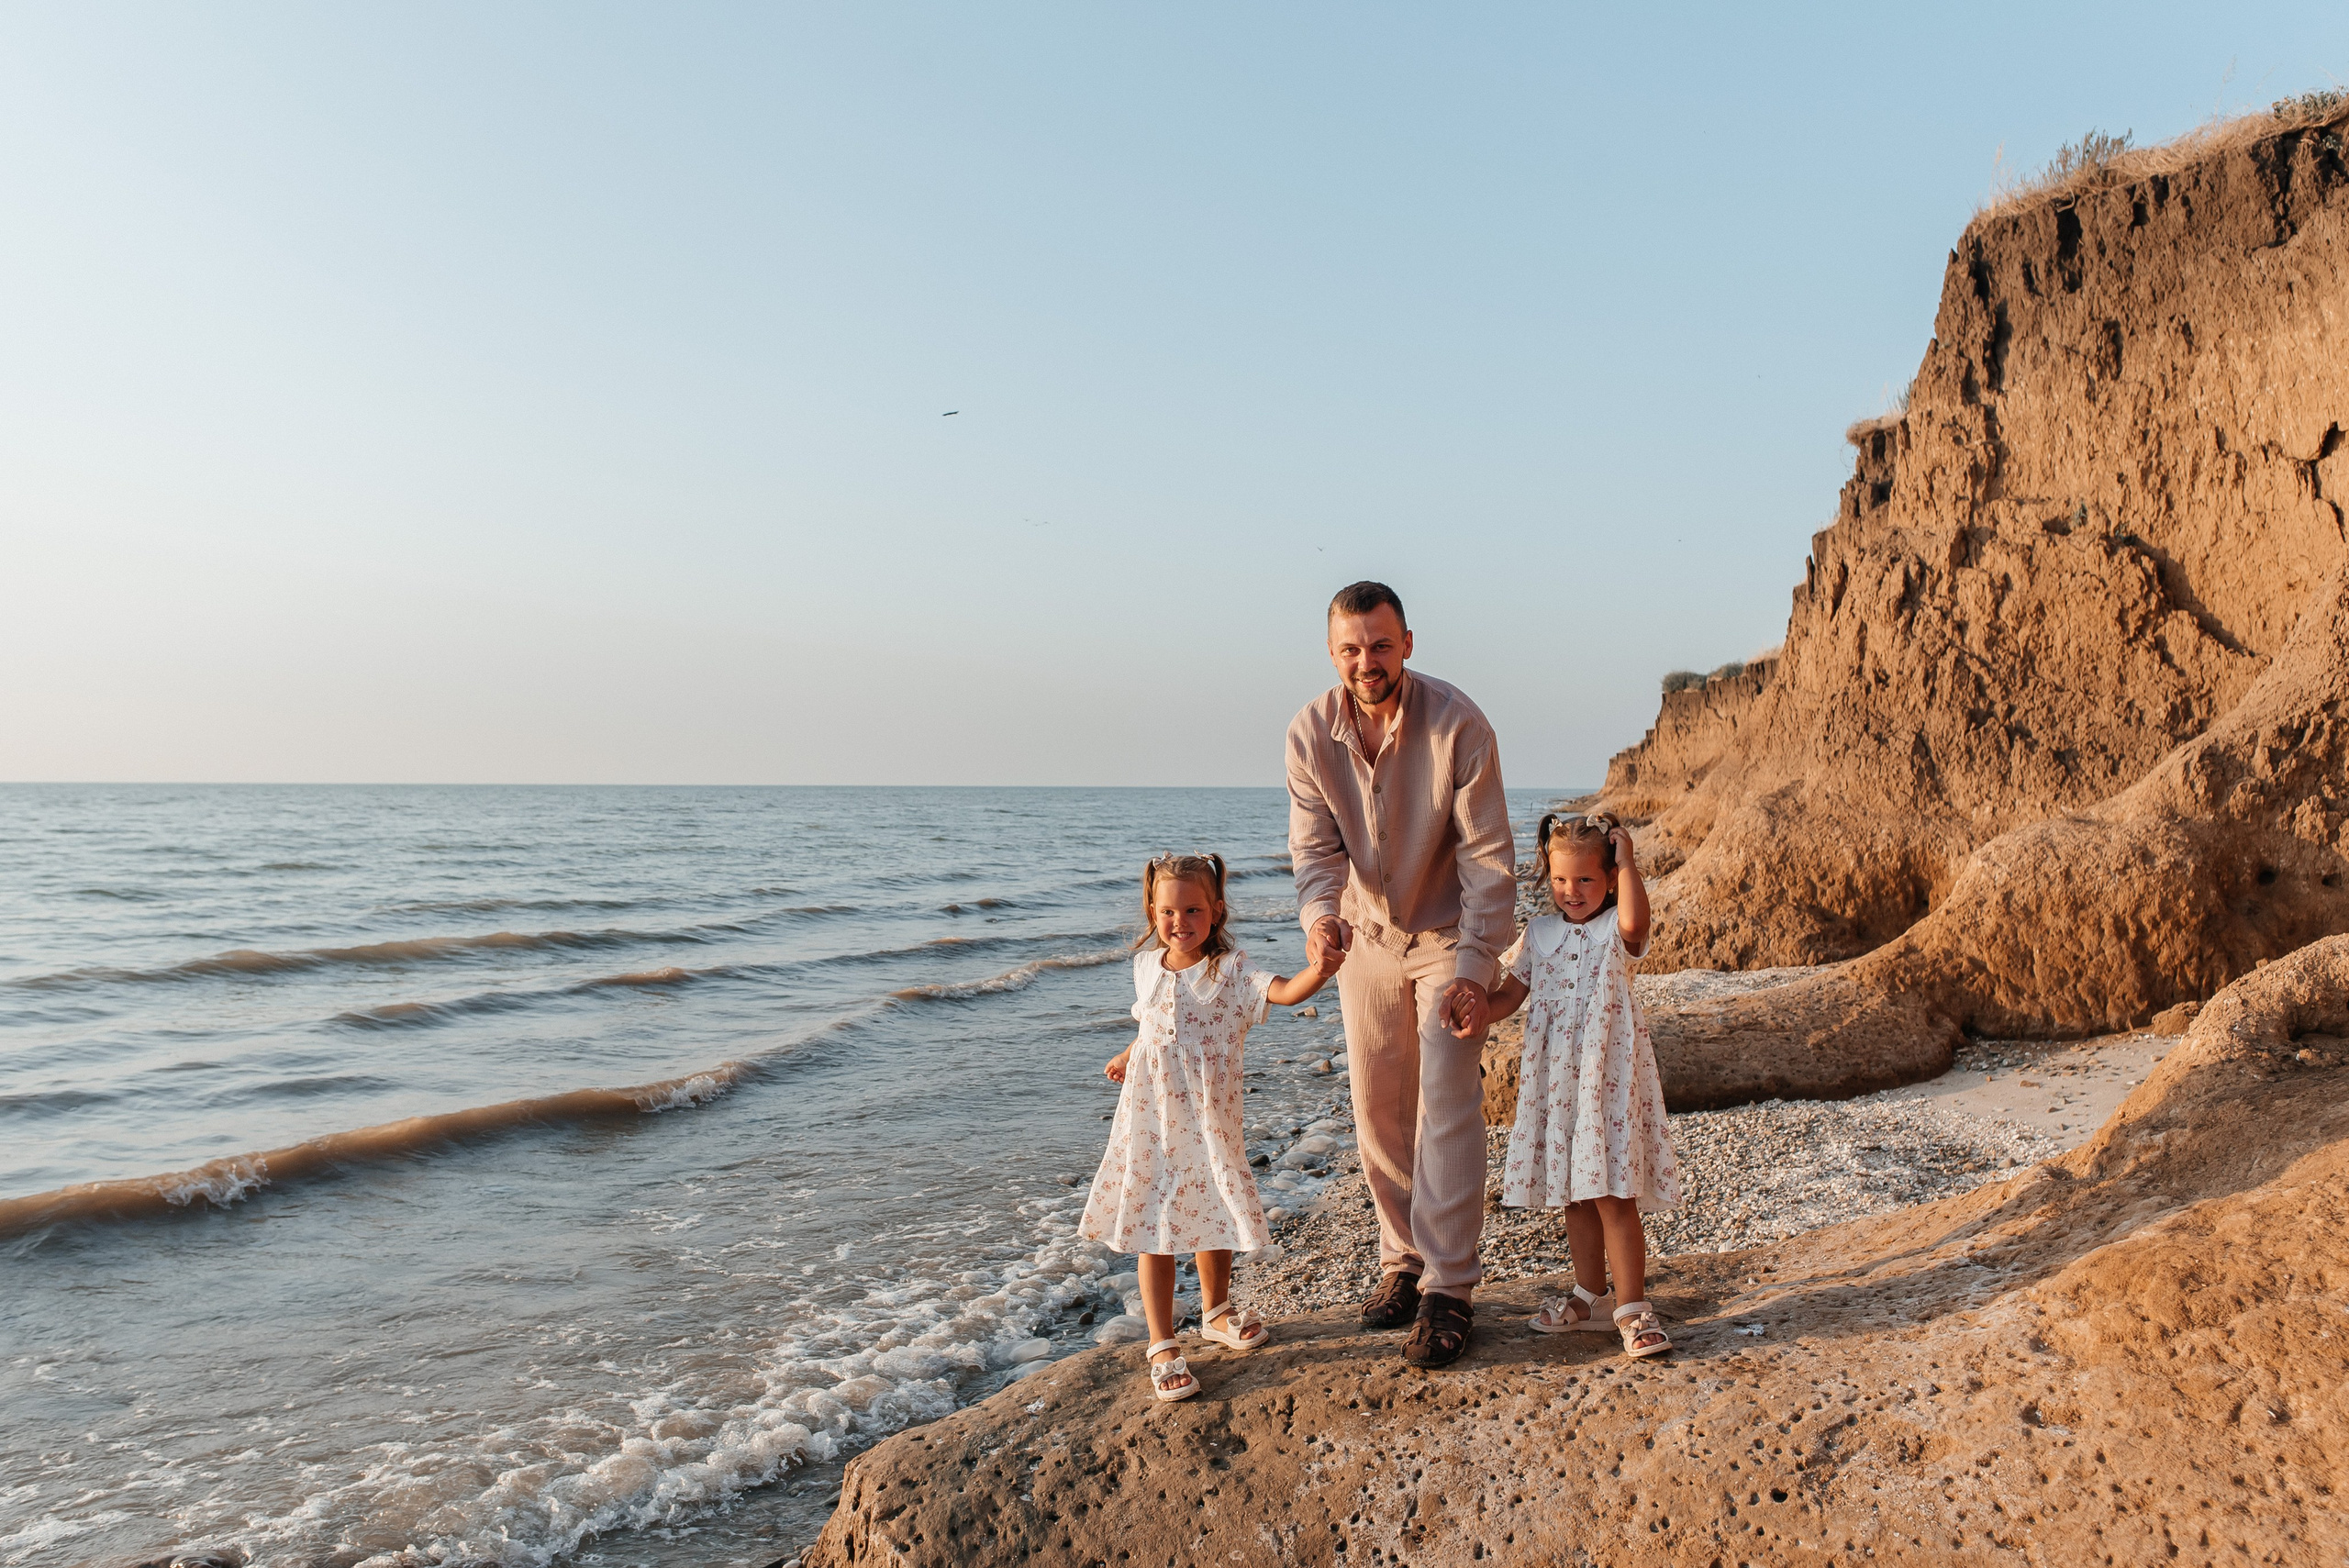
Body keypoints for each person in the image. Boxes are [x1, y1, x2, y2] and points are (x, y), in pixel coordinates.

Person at [1286, 581, 1516, 1369]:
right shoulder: (1309, 733)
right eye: (1350, 648)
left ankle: (1451, 1288)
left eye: (1380, 645)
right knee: (1377, 1101)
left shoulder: (1460, 724)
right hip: (1367, 935)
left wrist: (1477, 971)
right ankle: (1404, 1264)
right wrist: (1322, 920)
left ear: (1408, 644)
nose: (1366, 661)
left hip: (1451, 932)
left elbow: (1489, 860)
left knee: (1447, 1093)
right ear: (1332, 654)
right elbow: (1314, 851)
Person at [1079, 852, 1341, 1403]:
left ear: (1216, 912)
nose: (1180, 922)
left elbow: (1287, 992)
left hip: (1208, 1118)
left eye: (1193, 910)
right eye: (1168, 911)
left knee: (1213, 1211)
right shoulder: (1147, 966)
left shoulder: (1232, 972)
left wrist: (1321, 969)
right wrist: (1129, 1054)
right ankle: (1162, 1341)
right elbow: (1154, 1023)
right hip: (1151, 1118)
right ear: (1152, 911)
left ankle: (1216, 1311)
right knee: (1155, 1223)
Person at [1484, 812, 1680, 1359]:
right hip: (1557, 1081)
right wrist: (1479, 1012)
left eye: (1587, 880)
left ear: (1611, 878)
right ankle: (1590, 1293)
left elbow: (1640, 927)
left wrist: (1632, 864)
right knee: (1574, 1189)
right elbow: (1511, 994)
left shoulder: (1616, 929)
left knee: (1613, 1190)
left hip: (1605, 1079)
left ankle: (1633, 1306)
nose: (1572, 891)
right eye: (1561, 879)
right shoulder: (1539, 934)